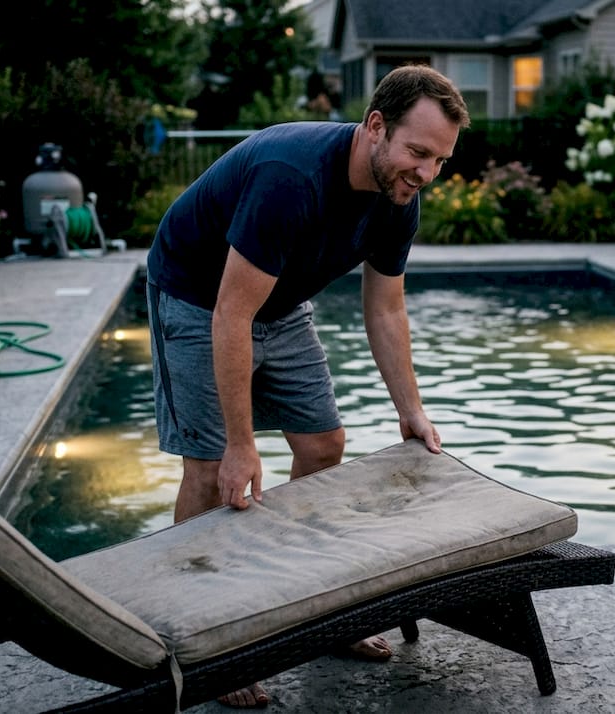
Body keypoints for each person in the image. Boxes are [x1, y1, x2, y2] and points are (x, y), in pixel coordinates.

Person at [145, 64, 470, 708]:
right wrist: (243, 444)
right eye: (418, 152)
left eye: (440, 160)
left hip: (280, 303)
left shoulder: (398, 198)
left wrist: (411, 411)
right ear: (375, 127)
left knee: (324, 444)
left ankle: (311, 618)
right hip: (196, 297)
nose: (427, 172)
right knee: (211, 472)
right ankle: (204, 643)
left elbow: (386, 310)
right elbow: (230, 315)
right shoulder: (289, 178)